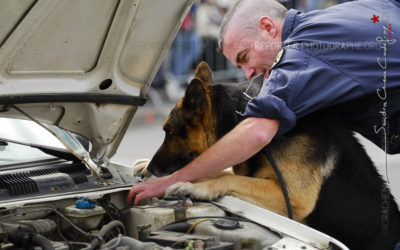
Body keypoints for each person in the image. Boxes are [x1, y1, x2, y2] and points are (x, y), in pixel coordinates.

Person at [128, 0, 400, 205]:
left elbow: (257, 131)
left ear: (268, 27)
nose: (248, 74)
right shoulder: (348, 14)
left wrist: (173, 180)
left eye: (244, 56)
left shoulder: (302, 54)